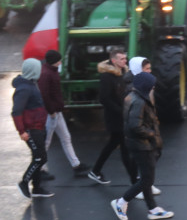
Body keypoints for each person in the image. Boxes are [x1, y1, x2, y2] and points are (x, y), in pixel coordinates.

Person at [111, 72, 173, 220]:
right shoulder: (140, 101)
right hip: (142, 146)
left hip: (138, 145)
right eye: (151, 85)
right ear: (146, 86)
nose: (153, 87)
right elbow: (135, 126)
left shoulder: (133, 96)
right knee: (146, 180)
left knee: (146, 178)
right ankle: (121, 202)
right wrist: (152, 134)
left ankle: (152, 209)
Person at [88, 48, 137, 186]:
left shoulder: (123, 74)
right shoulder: (107, 77)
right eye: (121, 59)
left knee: (113, 144)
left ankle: (95, 171)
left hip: (122, 115)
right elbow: (104, 99)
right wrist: (121, 111)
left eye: (125, 58)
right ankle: (134, 181)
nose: (125, 61)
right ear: (114, 60)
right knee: (124, 149)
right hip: (116, 118)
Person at [38, 50, 89, 178]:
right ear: (54, 61)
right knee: (48, 141)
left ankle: (75, 164)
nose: (60, 62)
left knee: (64, 137)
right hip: (53, 113)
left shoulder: (47, 72)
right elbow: (45, 95)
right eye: (59, 60)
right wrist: (52, 112)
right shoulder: (49, 74)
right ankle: (40, 169)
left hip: (55, 112)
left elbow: (46, 94)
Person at [13, 58, 53, 198]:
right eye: (38, 69)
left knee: (38, 157)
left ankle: (37, 188)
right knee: (40, 158)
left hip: (39, 127)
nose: (41, 71)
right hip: (32, 129)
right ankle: (24, 182)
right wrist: (22, 131)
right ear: (33, 70)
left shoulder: (31, 84)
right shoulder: (24, 88)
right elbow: (16, 111)